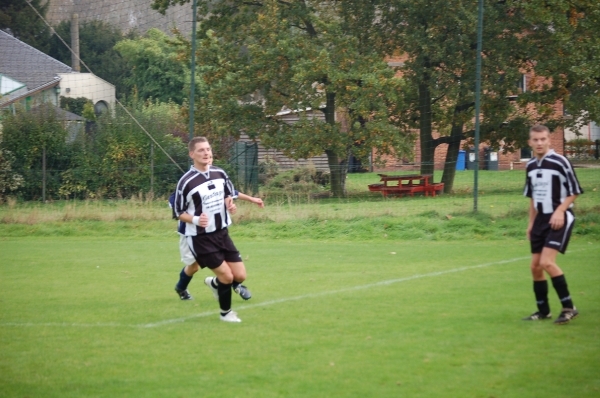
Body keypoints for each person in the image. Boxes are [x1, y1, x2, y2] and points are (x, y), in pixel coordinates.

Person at [172, 136, 258, 322]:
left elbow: (229, 195)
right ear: (192, 154)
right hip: (200, 238)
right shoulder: (186, 182)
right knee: (224, 275)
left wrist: (231, 205)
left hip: (222, 233)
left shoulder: (220, 173)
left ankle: (214, 283)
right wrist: (195, 219)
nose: (206, 153)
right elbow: (177, 211)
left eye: (208, 149)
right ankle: (225, 313)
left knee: (240, 275)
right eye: (201, 150)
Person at [522, 124, 583, 325]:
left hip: (560, 218)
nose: (539, 143)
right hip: (540, 220)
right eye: (535, 140)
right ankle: (543, 311)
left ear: (549, 140)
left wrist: (560, 210)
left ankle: (569, 307)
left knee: (547, 263)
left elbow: (575, 190)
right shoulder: (530, 165)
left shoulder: (560, 162)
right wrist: (531, 223)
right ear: (530, 142)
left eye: (543, 139)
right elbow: (532, 197)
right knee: (535, 267)